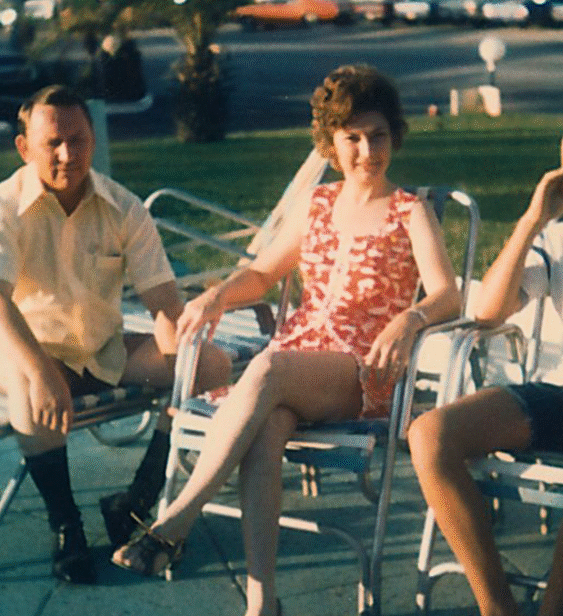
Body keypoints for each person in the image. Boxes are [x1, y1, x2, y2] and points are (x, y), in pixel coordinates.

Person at [111, 64, 461, 616]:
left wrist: (410, 319)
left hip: (363, 369)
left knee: (268, 369)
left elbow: (448, 295)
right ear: (331, 143)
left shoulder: (409, 210)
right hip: (298, 362)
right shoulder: (318, 203)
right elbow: (261, 274)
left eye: (378, 136)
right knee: (268, 426)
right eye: (352, 138)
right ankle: (262, 603)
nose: (367, 151)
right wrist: (216, 297)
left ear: (394, 136)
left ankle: (173, 522)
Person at [0, 84, 230, 585]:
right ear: (24, 148)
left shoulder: (123, 206)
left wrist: (180, 360)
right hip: (18, 350)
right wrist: (41, 372)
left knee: (210, 363)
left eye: (78, 140)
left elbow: (163, 302)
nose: (68, 155)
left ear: (93, 140)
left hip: (100, 350)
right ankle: (66, 527)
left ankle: (137, 499)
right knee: (30, 388)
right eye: (53, 143)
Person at [408, 141, 563, 616]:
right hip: (557, 395)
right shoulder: (555, 236)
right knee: (430, 435)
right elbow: (490, 311)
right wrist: (531, 222)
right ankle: (497, 607)